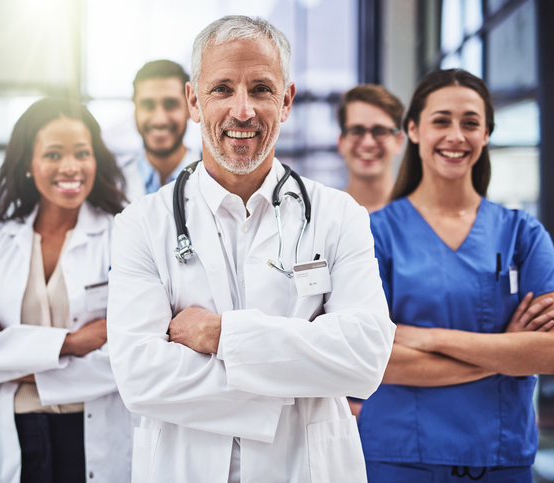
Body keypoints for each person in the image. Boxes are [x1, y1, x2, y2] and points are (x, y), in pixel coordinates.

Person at [107, 15, 395, 483]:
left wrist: (221, 336)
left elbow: (365, 359)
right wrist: (300, 379)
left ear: (286, 101)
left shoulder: (339, 215)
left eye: (261, 89)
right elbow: (140, 377)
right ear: (193, 101)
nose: (242, 111)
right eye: (222, 88)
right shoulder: (141, 224)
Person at [359, 68, 554, 483]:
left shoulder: (523, 234)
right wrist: (508, 351)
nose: (456, 135)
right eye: (441, 121)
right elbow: (373, 361)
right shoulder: (374, 234)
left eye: (470, 123)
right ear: (413, 129)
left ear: (486, 133)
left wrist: (427, 337)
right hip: (399, 462)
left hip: (502, 462)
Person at [0, 98, 135, 483]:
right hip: (11, 437)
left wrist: (7, 359)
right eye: (53, 154)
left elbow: (128, 358)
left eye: (82, 152)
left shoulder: (123, 237)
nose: (71, 166)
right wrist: (71, 343)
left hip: (94, 438)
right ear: (29, 163)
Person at [121, 59, 199, 201]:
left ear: (190, 108)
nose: (159, 120)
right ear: (135, 110)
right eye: (147, 105)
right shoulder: (115, 185)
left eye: (171, 104)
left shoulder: (215, 180)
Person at [337, 84, 404, 213]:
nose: (368, 143)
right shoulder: (324, 214)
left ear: (399, 141)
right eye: (356, 131)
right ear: (341, 142)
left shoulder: (419, 215)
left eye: (380, 131)